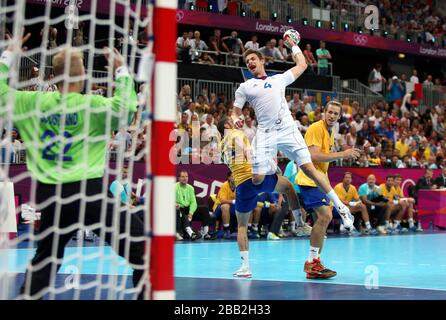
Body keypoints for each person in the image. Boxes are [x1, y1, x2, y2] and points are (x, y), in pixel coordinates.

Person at [1, 35, 146, 299]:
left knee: (47, 255)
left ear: (54, 77)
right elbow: (126, 109)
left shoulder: (32, 102)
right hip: (87, 192)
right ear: (82, 77)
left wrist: (8, 56)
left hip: (50, 194)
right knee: (141, 249)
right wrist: (121, 71)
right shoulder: (92, 105)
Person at [231, 31, 356, 243]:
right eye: (247, 60)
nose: (250, 62)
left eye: (253, 58)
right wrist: (236, 119)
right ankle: (273, 171)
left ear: (262, 61)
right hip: (266, 134)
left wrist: (294, 46)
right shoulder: (245, 87)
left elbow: (302, 65)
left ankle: (340, 208)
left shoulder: (279, 79)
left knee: (309, 167)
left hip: (288, 129)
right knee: (257, 179)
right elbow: (235, 111)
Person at [220, 117, 308, 277]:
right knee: (288, 187)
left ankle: (245, 267)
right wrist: (270, 167)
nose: (236, 122)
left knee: (242, 226)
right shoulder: (235, 134)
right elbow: (249, 153)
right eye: (231, 120)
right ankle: (300, 224)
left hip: (241, 186)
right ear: (226, 125)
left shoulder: (221, 145)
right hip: (255, 177)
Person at [295, 101, 361, 279]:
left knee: (324, 218)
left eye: (335, 114)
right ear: (324, 112)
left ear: (339, 116)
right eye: (329, 112)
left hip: (320, 181)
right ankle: (311, 262)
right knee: (325, 216)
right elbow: (313, 155)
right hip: (309, 180)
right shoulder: (316, 128)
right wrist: (342, 154)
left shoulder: (330, 131)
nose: (332, 116)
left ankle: (315, 262)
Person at [175, 170, 202, 241]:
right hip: (177, 208)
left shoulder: (191, 188)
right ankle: (190, 233)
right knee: (180, 211)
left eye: (186, 176)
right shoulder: (174, 187)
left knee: (204, 209)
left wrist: (191, 212)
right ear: (179, 178)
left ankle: (206, 233)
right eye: (182, 176)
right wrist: (175, 204)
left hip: (187, 209)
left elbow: (193, 202)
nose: (185, 178)